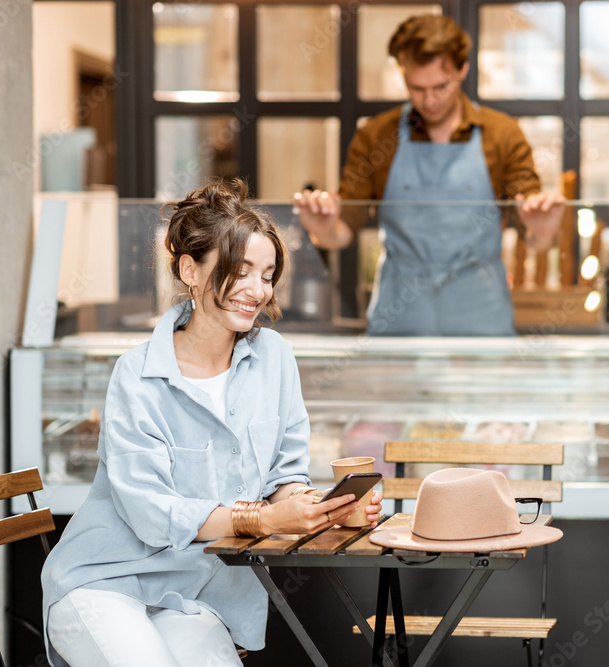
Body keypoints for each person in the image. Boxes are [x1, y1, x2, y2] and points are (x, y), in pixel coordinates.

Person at [40, 178, 383, 667]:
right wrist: (263, 519)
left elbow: (285, 475)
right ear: (190, 270)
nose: (257, 290)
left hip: (198, 587)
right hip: (103, 580)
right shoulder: (137, 375)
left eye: (267, 275)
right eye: (241, 271)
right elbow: (150, 513)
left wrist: (319, 507)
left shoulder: (275, 359)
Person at [297, 14, 564, 336]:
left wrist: (543, 229)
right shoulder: (376, 136)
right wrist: (323, 229)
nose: (430, 100)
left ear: (463, 69)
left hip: (481, 320)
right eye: (417, 88)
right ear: (402, 73)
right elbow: (342, 230)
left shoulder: (503, 134)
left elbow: (536, 235)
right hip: (400, 321)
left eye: (441, 85)